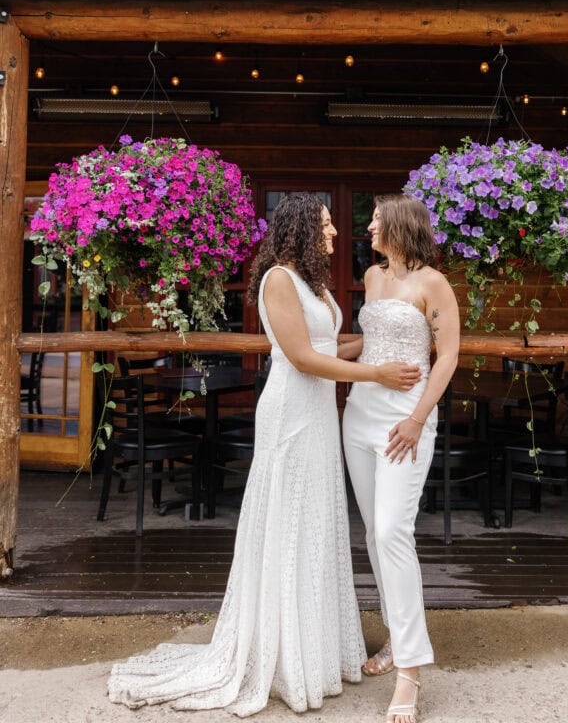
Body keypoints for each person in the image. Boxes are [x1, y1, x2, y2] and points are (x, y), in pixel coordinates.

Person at [108, 191, 420, 717]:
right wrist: (376, 373)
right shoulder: (278, 278)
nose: (335, 232)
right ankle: (280, 653)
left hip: (320, 413)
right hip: (293, 412)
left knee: (316, 521)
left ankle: (314, 647)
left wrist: (380, 346)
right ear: (300, 227)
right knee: (287, 520)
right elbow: (300, 359)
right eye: (326, 224)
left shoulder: (314, 285)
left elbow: (327, 348)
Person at [342, 193, 460, 723]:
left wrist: (417, 419)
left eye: (374, 220)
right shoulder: (370, 277)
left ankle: (410, 671)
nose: (367, 226)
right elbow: (369, 344)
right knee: (372, 533)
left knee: (392, 530)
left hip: (406, 420)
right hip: (359, 416)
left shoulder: (432, 283)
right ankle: (394, 636)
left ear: (399, 227)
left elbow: (449, 354)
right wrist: (312, 351)